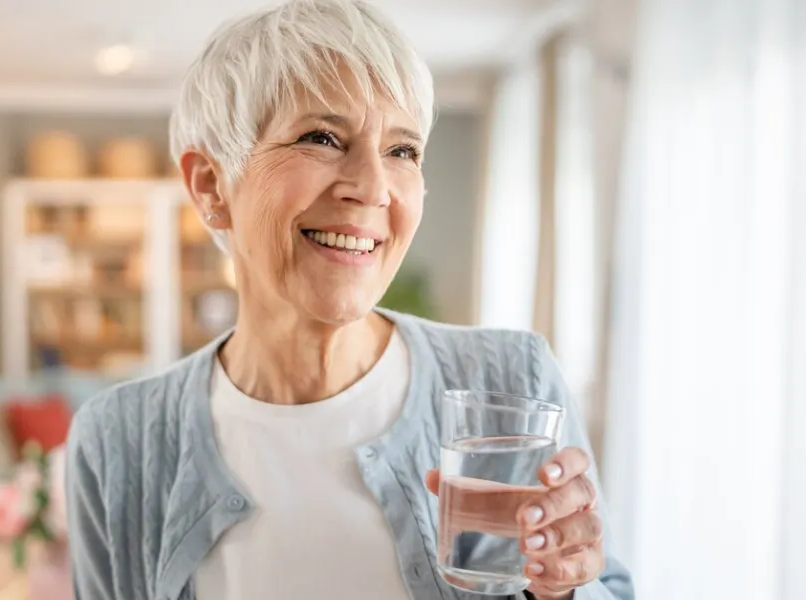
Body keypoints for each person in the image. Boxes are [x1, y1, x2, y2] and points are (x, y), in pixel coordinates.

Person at [66, 1, 634, 599]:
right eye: (321, 137)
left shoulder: (512, 379)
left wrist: (566, 588)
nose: (372, 187)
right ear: (211, 184)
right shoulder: (118, 442)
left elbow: (605, 588)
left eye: (402, 150)